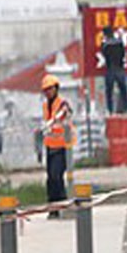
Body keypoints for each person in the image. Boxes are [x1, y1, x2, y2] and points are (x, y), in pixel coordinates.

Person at [40, 73, 73, 217]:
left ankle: (63, 206)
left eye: (50, 89)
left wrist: (51, 122)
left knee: (57, 176)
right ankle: (53, 208)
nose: (48, 92)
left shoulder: (62, 104)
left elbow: (63, 114)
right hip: (50, 146)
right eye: (46, 90)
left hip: (62, 146)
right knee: (50, 180)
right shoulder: (45, 106)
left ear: (56, 88)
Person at [100, 26, 127, 114]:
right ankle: (126, 106)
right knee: (123, 88)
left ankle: (110, 109)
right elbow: (123, 53)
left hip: (110, 69)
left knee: (109, 90)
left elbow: (105, 56)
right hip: (120, 68)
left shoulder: (105, 45)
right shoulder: (119, 42)